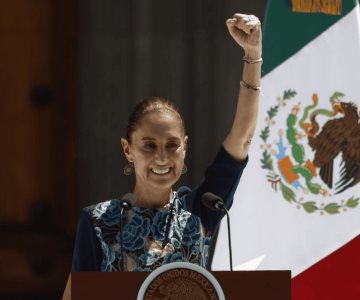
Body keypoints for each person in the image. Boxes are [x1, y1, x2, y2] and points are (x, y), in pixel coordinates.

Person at [62, 12, 261, 298]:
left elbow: (242, 137)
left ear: (185, 148)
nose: (162, 158)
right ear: (127, 150)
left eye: (172, 145)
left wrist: (253, 55)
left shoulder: (201, 210)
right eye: (149, 146)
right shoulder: (97, 222)